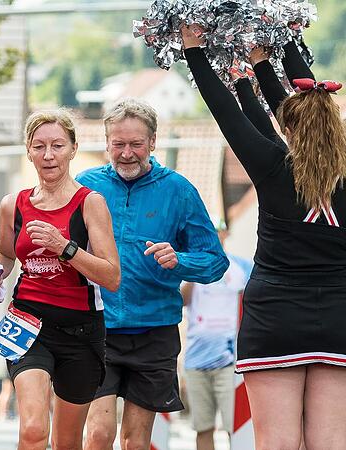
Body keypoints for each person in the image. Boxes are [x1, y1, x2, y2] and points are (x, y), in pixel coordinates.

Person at [182, 26, 346, 450]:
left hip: (274, 318)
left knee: (276, 442)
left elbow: (231, 116)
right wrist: (271, 58)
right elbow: (296, 110)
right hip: (340, 316)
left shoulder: (274, 166)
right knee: (330, 442)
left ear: (289, 125)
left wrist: (198, 51)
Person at [75, 98, 229, 450]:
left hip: (154, 332)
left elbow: (216, 261)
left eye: (136, 144)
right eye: (119, 144)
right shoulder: (85, 186)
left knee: (136, 440)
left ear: (153, 142)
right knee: (98, 434)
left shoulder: (179, 191)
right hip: (98, 326)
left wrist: (181, 260)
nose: (127, 153)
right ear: (106, 141)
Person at [0, 109, 120, 450]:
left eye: (57, 145)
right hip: (28, 324)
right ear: (28, 150)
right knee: (32, 430)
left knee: (67, 442)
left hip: (81, 331)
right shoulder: (12, 205)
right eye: (39, 146)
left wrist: (65, 248)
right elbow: (6, 254)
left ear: (73, 149)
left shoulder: (91, 204)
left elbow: (111, 276)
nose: (48, 155)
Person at [181, 217, 253, 450]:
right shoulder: (192, 265)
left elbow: (256, 301)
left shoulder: (240, 267)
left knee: (235, 426)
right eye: (211, 230)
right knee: (202, 427)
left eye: (219, 229)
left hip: (229, 360)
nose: (215, 234)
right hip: (196, 359)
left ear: (226, 233)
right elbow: (182, 300)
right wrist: (193, 273)